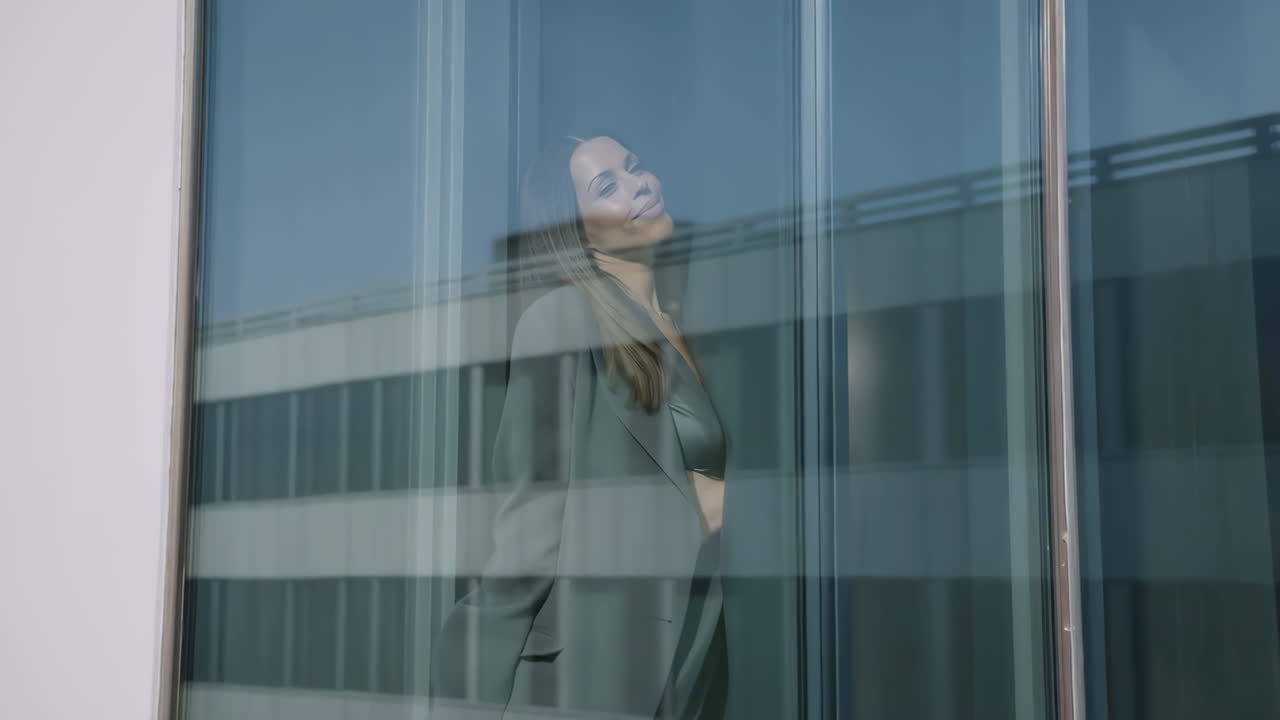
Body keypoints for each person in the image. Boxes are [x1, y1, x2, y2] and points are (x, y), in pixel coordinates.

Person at [429, 136, 728, 719]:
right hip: (604, 669)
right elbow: (531, 525)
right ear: (578, 231)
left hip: (695, 649)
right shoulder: (562, 321)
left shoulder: (679, 324)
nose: (640, 183)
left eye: (635, 166)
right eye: (608, 186)